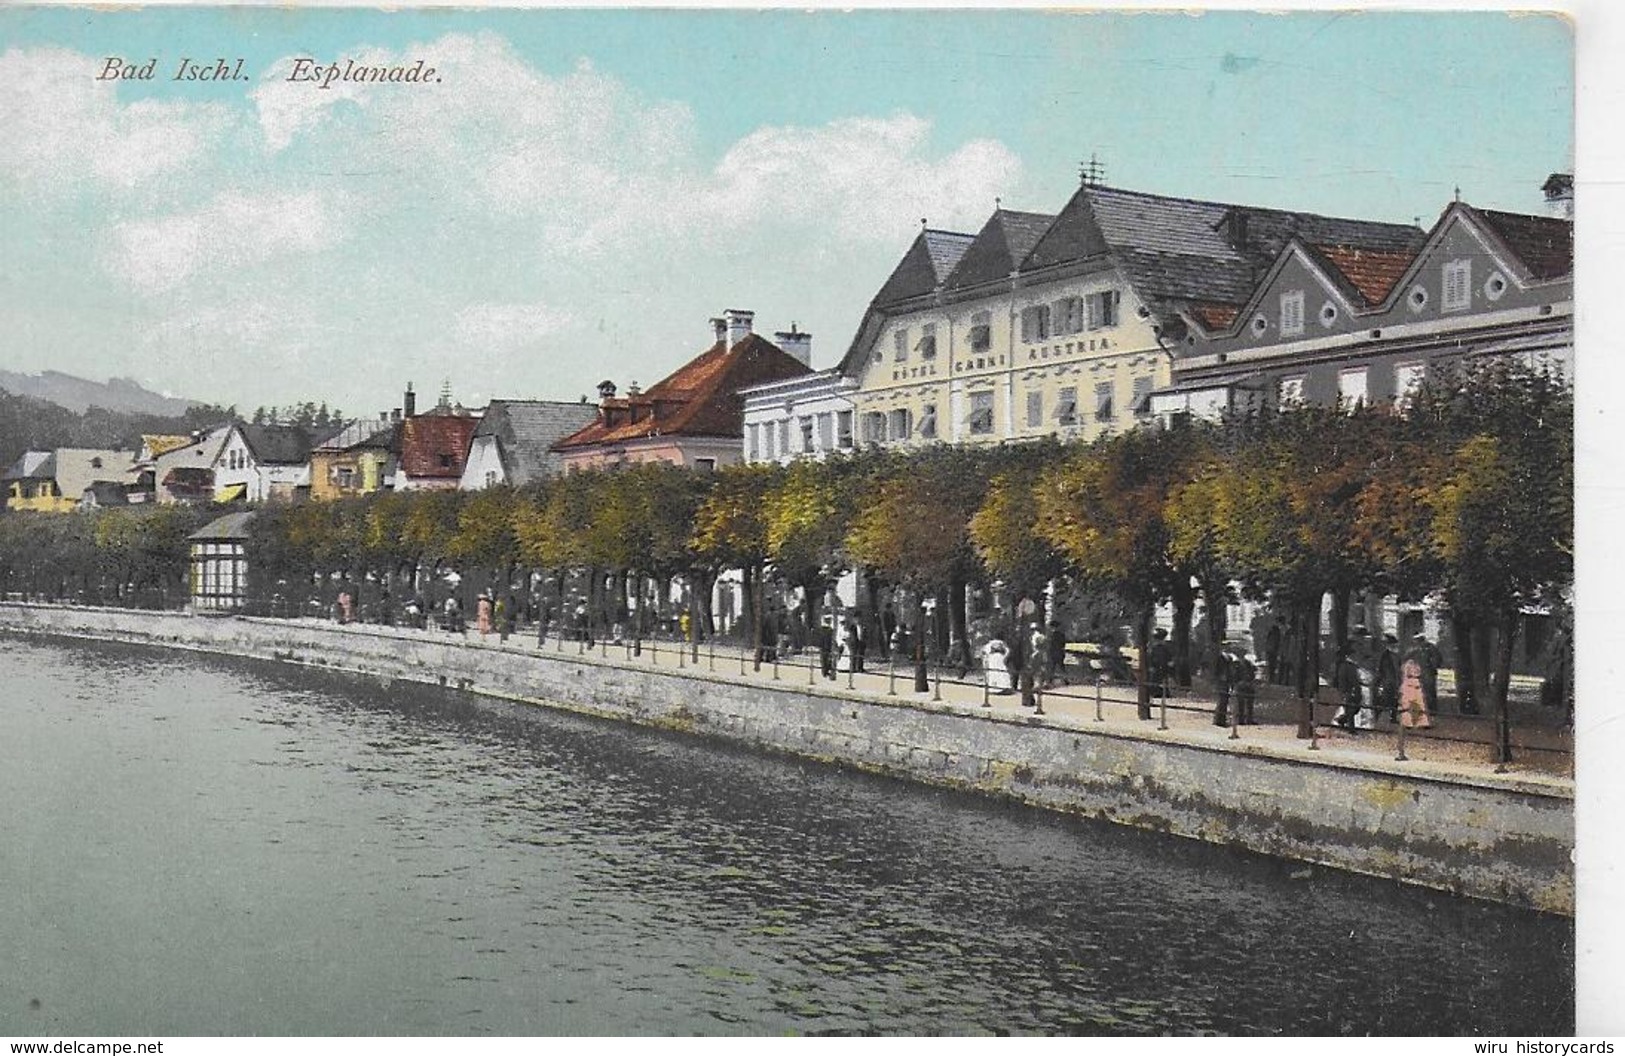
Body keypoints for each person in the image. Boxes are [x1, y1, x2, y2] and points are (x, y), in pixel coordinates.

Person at [1399, 654, 1433, 730]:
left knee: (1421, 704)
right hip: (1408, 685)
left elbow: (1419, 673)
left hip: (1416, 685)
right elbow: (1407, 674)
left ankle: (1423, 722)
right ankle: (1407, 722)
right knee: (1407, 705)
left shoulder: (1417, 665)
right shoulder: (1406, 666)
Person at [1374, 633, 1400, 722]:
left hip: (1393, 680)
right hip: (1387, 680)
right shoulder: (1385, 655)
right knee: (1384, 699)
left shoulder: (1394, 655)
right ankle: (1377, 716)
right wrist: (1378, 680)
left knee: (1394, 700)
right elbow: (1380, 668)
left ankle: (1392, 717)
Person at [1211, 642, 1233, 726]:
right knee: (1221, 700)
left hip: (1226, 680)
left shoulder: (1229, 657)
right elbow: (1216, 670)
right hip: (1221, 681)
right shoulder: (1220, 657)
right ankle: (1218, 720)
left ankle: (1222, 719)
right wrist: (1218, 677)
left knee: (1225, 700)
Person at [1233, 651, 1258, 725]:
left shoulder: (1248, 663)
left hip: (1248, 683)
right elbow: (1235, 674)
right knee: (1242, 703)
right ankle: (1242, 719)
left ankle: (1249, 719)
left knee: (1249, 703)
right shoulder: (1237, 663)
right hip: (1242, 684)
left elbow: (1253, 672)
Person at [1148, 628, 1173, 696]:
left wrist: (1170, 663)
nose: (1160, 641)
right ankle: (1155, 692)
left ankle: (1165, 692)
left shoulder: (1165, 648)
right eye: (1158, 639)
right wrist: (1151, 666)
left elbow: (1169, 656)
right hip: (1156, 667)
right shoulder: (1154, 648)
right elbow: (1150, 657)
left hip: (1164, 667)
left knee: (1164, 680)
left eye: (1161, 639)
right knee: (1154, 680)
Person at [1046, 621, 1067, 686]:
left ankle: (1049, 681)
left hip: (1053, 653)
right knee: (1062, 667)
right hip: (1060, 652)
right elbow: (1063, 644)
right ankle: (1065, 679)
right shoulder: (1062, 634)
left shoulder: (1051, 635)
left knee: (1052, 667)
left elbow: (1049, 644)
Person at [816, 615, 836, 680]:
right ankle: (825, 671)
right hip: (825, 646)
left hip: (826, 646)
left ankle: (825, 671)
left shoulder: (827, 629)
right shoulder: (827, 629)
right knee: (825, 659)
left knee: (825, 659)